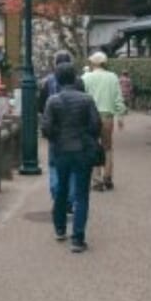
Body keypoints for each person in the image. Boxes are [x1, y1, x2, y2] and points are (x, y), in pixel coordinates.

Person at [41, 62, 101, 253]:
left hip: (61, 151)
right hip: (82, 150)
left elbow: (46, 129)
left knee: (61, 190)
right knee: (82, 195)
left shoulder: (53, 101)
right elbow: (95, 125)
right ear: (75, 77)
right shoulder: (87, 99)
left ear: (57, 79)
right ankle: (77, 239)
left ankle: (60, 229)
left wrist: (57, 137)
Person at [38, 50, 84, 211]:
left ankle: (57, 195)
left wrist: (46, 127)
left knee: (53, 165)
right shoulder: (78, 82)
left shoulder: (47, 82)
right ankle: (70, 200)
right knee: (72, 168)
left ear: (55, 64)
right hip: (74, 132)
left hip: (55, 132)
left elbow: (41, 107)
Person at [82, 51, 127, 191]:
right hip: (107, 117)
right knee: (108, 147)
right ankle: (108, 178)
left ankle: (97, 180)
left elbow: (82, 98)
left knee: (93, 146)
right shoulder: (112, 77)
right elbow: (118, 98)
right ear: (104, 62)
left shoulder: (85, 77)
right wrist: (120, 116)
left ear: (92, 63)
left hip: (90, 117)